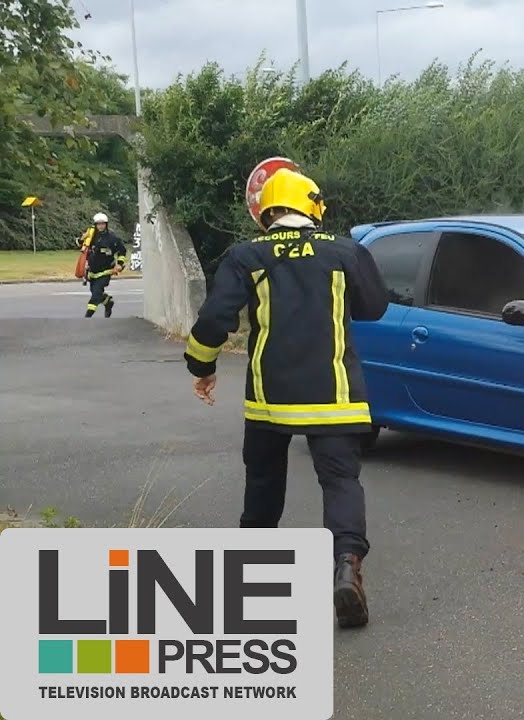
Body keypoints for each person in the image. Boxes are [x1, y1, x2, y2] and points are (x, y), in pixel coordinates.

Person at [181, 167, 390, 629]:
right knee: (340, 483)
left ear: (267, 211)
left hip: (269, 399)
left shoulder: (246, 255)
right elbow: (375, 307)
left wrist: (202, 367)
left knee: (263, 483)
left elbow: (216, 317)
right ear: (313, 207)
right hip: (335, 397)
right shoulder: (345, 253)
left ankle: (247, 587)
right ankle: (347, 568)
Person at [81, 212, 128, 318]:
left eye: (103, 224)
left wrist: (120, 264)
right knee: (96, 293)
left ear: (106, 224)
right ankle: (108, 302)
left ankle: (87, 317)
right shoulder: (91, 236)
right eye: (98, 224)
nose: (101, 226)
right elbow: (82, 246)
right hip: (92, 271)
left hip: (106, 271)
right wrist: (82, 239)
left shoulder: (112, 238)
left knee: (96, 294)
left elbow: (122, 251)